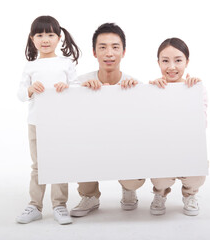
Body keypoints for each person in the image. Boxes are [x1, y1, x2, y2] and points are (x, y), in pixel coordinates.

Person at [69, 23, 145, 217]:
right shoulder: (80, 82)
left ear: (124, 52)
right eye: (102, 47)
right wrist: (80, 93)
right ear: (94, 52)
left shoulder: (135, 85)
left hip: (124, 145)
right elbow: (68, 121)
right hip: (93, 143)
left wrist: (135, 95)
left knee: (134, 156)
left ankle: (129, 189)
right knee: (78, 147)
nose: (109, 53)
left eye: (115, 47)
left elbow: (144, 128)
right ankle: (90, 195)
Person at [16, 15, 80, 225]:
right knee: (38, 166)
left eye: (50, 34)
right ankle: (35, 205)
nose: (45, 39)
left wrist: (67, 88)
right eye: (40, 35)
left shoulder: (66, 63)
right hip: (36, 122)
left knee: (59, 162)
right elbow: (20, 94)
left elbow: (78, 89)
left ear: (59, 37)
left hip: (61, 123)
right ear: (32, 38)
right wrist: (30, 89)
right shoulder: (30, 66)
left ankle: (59, 205)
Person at [149, 37, 207, 216]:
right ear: (158, 62)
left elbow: (201, 123)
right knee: (159, 177)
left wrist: (193, 92)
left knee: (197, 173)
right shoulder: (154, 88)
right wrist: (151, 90)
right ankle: (160, 194)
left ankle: (190, 195)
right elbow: (148, 123)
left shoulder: (195, 88)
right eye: (165, 61)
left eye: (178, 60)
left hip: (187, 147)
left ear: (187, 62)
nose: (172, 67)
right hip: (163, 148)